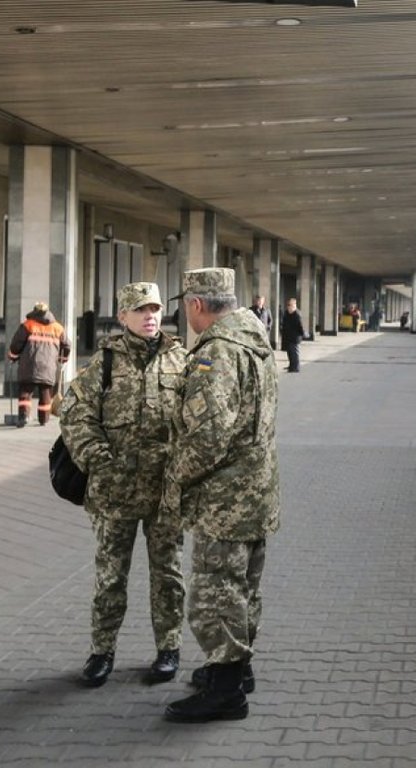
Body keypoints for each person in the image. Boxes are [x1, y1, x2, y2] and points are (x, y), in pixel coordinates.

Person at [162, 268, 279, 723]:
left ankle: (226, 692)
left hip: (224, 501)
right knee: (244, 587)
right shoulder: (256, 338)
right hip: (256, 491)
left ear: (195, 304)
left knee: (215, 591)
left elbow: (208, 435)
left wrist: (175, 481)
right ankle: (236, 669)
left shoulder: (219, 352)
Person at [60, 282, 189, 688]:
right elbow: (75, 415)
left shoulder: (181, 359)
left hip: (165, 493)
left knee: (167, 574)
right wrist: (98, 460)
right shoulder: (105, 363)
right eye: (141, 310)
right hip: (114, 493)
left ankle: (168, 648)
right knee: (110, 576)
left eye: (154, 309)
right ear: (123, 317)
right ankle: (102, 651)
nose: (151, 316)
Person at [7, 301, 71, 427]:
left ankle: (23, 417)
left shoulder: (28, 325)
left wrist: (12, 357)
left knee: (25, 391)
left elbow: (17, 343)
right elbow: (67, 345)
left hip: (28, 365)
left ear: (34, 311)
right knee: (45, 393)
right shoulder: (57, 328)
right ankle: (43, 419)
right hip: (48, 366)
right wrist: (62, 360)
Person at [280, 298, 304, 373]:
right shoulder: (286, 313)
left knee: (295, 353)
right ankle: (291, 366)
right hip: (287, 337)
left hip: (294, 338)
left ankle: (296, 367)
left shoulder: (297, 314)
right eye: (288, 305)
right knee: (290, 353)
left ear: (294, 305)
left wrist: (301, 334)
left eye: (290, 305)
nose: (288, 307)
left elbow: (300, 326)